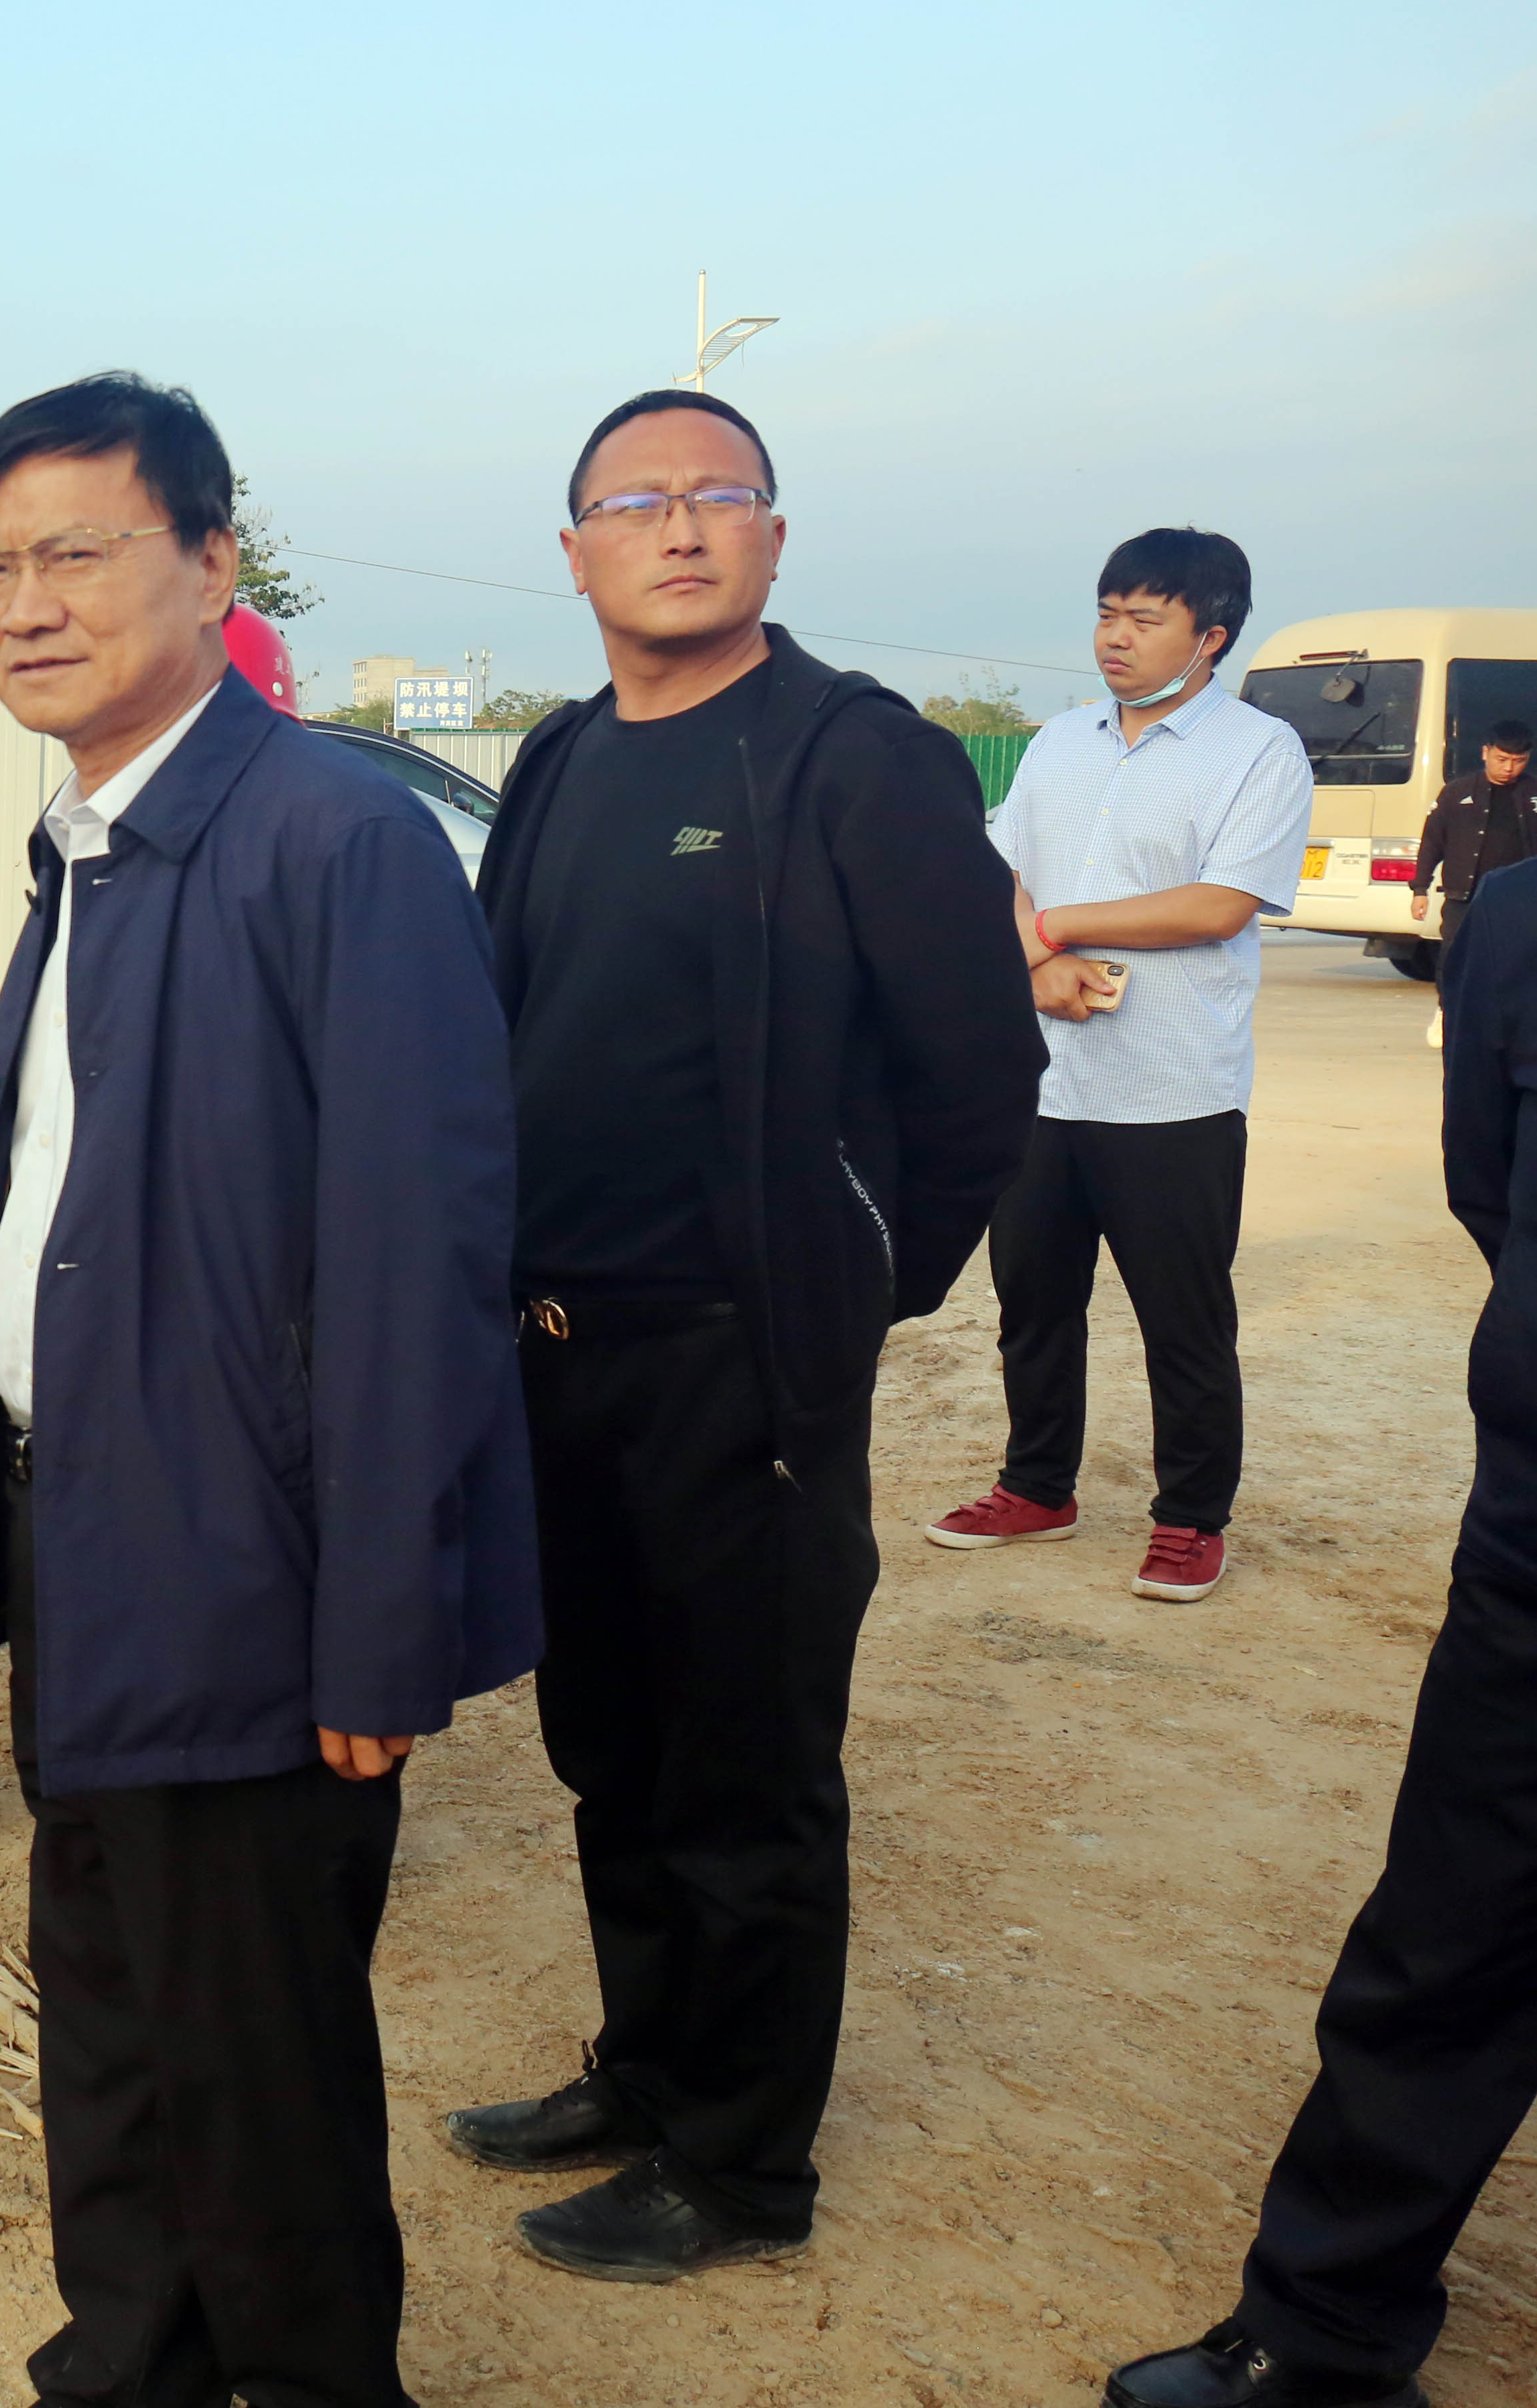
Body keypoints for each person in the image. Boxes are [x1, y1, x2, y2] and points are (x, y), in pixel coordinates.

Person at [0, 373, 540, 2408]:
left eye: (76, 553)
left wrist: (380, 1618)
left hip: (246, 1563)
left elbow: (418, 1265)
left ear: (210, 565)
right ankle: (131, 2356)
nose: (26, 603)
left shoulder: (329, 838)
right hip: (84, 1523)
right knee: (108, 1994)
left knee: (254, 2053)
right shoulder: (90, 835)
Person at [449, 389, 1041, 2279]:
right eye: (636, 501)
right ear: (574, 554)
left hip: (742, 1363)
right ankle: (645, 2070)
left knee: (744, 1771)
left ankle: (739, 2163)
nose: (681, 526)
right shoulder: (557, 762)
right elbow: (494, 1026)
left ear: (774, 536)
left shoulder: (852, 759)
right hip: (558, 1349)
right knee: (610, 1748)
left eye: (720, 495)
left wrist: (849, 1289)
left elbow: (977, 1076)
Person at [1093, 858, 1537, 2408]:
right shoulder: (1519, 917)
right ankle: (1325, 2327)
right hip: (1532, 1564)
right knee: (1447, 1944)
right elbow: (1490, 1189)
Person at [926, 530, 1311, 1603]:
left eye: (1145, 619)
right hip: (1042, 1085)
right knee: (1033, 1304)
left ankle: (1190, 1519)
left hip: (1174, 1091)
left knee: (1183, 1322)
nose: (1116, 637)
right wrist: (1036, 961)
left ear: (1212, 636)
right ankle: (1036, 1487)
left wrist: (1058, 925)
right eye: (1107, 613)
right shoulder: (1059, 742)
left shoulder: (1259, 751)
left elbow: (1219, 903)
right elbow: (1001, 871)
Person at [1404, 717, 1533, 1049]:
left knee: (1517, 963)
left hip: (1519, 899)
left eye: (1518, 761)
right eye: (1502, 759)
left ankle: (1510, 1025)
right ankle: (1447, 1012)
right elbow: (1432, 843)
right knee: (1455, 958)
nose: (1509, 768)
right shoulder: (1457, 793)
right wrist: (1420, 889)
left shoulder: (1533, 794)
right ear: (1485, 752)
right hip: (1465, 895)